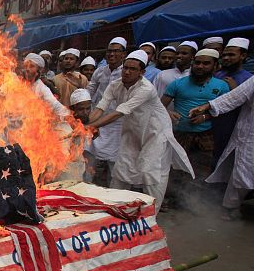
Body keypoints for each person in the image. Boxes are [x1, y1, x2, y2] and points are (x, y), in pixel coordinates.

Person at [87, 50, 193, 212]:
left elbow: (119, 112)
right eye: (125, 68)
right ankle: (115, 210)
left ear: (142, 72)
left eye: (133, 69)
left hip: (155, 135)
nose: (127, 72)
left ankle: (151, 216)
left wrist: (90, 127)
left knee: (150, 174)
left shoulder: (146, 89)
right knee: (121, 171)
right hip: (132, 132)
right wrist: (84, 126)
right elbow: (101, 107)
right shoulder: (115, 85)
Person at [188, 74, 254, 219]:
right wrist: (207, 106)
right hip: (250, 136)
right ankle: (231, 207)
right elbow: (235, 96)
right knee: (243, 173)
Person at [161, 49, 229, 161]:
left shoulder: (222, 86)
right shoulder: (177, 84)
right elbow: (159, 106)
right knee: (176, 168)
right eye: (197, 63)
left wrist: (205, 117)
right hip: (180, 133)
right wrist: (168, 113)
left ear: (215, 65)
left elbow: (225, 110)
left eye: (206, 63)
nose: (200, 66)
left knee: (203, 169)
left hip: (207, 134)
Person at [85, 37, 127, 187]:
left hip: (118, 123)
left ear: (124, 54)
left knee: (115, 161)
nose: (112, 54)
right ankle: (84, 187)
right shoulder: (100, 71)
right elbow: (90, 91)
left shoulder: (127, 73)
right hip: (97, 118)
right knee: (89, 155)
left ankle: (113, 192)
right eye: (109, 51)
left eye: (116, 51)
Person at [212, 38, 251, 167]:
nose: (226, 58)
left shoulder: (249, 79)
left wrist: (236, 91)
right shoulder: (217, 75)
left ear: (243, 56)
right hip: (214, 124)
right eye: (224, 55)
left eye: (231, 55)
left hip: (236, 125)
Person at [21, 53, 70, 118]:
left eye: (31, 66)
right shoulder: (15, 83)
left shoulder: (42, 88)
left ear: (39, 70)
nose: (27, 69)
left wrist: (70, 119)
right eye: (25, 66)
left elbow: (57, 107)